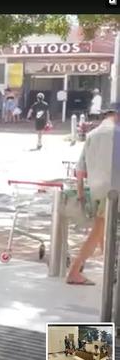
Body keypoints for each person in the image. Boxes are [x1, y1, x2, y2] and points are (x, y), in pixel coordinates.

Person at [66, 106, 118, 285]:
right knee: (99, 231)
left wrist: (81, 195)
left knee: (101, 230)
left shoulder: (92, 135)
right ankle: (75, 270)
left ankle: (110, 270)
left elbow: (80, 170)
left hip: (96, 191)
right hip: (114, 190)